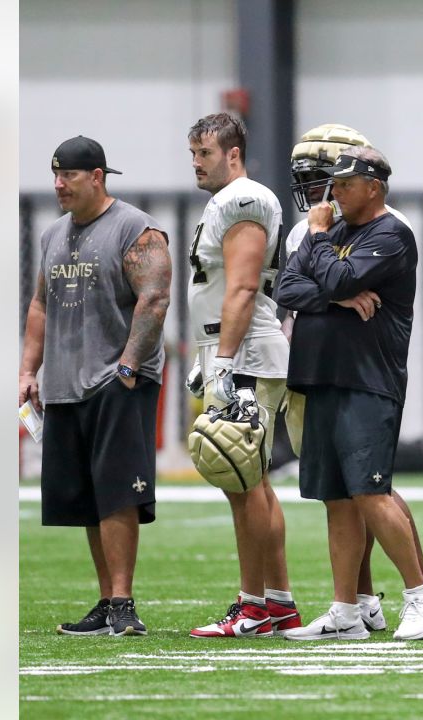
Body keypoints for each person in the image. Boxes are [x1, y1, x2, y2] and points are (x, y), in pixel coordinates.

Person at [276, 145, 423, 641]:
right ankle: (346, 612)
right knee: (336, 498)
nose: (334, 194)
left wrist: (325, 260)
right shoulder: (332, 231)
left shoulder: (390, 233)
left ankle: (422, 596)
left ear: (374, 187)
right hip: (321, 374)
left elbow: (335, 274)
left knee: (370, 491)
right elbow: (287, 288)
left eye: (345, 185)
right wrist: (341, 296)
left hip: (368, 378)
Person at [19, 136, 170, 636]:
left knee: (116, 495)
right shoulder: (53, 235)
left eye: (69, 176)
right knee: (86, 497)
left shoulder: (134, 227)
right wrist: (28, 371)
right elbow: (40, 305)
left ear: (97, 177)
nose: (59, 185)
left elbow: (154, 298)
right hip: (66, 385)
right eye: (55, 175)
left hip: (117, 381)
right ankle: (107, 601)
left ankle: (124, 603)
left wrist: (127, 369)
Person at [183, 112, 301, 639]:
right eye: (193, 154)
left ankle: (254, 605)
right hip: (230, 347)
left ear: (233, 153)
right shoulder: (226, 201)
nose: (196, 164)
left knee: (242, 480)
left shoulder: (244, 197)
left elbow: (244, 287)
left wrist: (225, 360)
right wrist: (206, 355)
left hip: (245, 352)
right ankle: (278, 604)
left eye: (204, 153)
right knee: (250, 482)